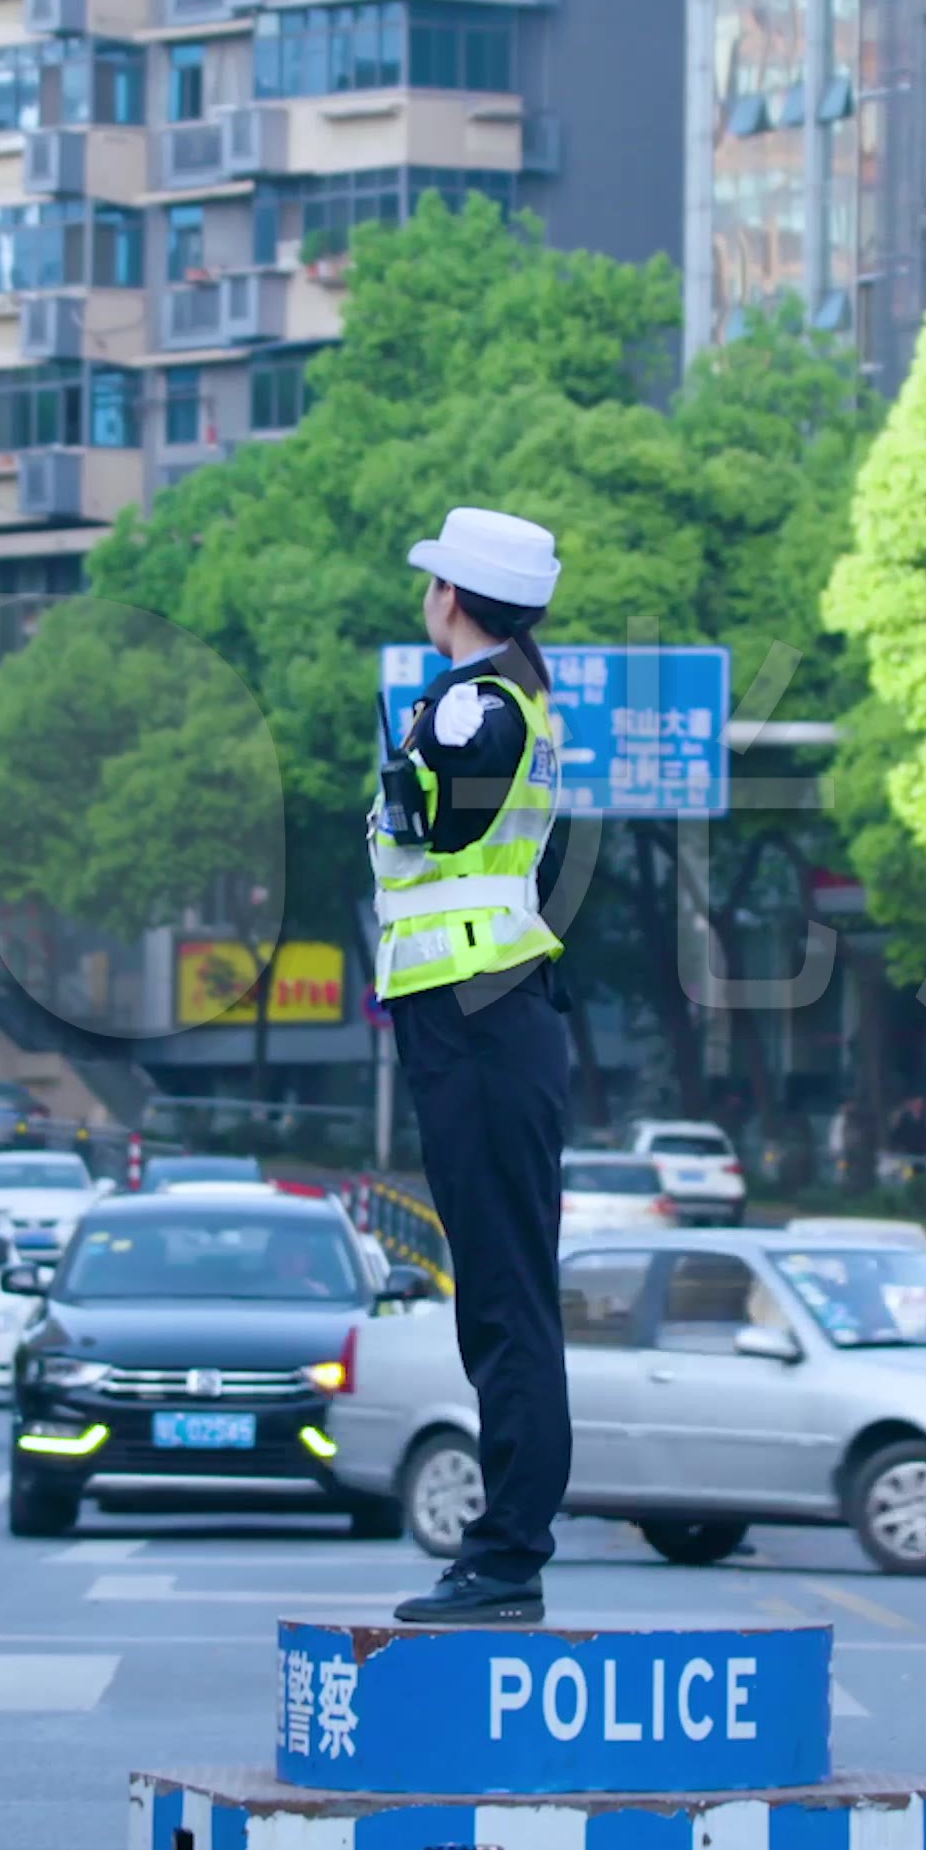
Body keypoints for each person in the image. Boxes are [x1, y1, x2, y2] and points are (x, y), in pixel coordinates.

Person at [375, 508, 577, 1626]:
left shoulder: (468, 706)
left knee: (503, 1301)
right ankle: (506, 1553)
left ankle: (505, 1561)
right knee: (503, 1296)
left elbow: (442, 837)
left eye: (432, 583)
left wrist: (415, 773)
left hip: (478, 1017)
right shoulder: (519, 705)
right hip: (488, 1017)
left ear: (453, 596)